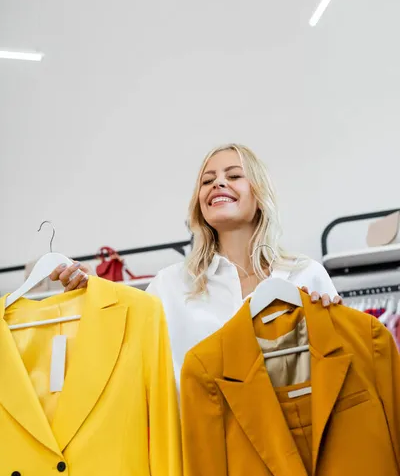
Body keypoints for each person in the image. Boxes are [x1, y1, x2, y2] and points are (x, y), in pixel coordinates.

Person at [51, 143, 341, 388]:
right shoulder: (170, 286)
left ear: (260, 195)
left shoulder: (304, 276)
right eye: (207, 180)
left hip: (291, 447)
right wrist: (91, 295)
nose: (218, 183)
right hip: (199, 448)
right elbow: (121, 350)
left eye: (235, 175)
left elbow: (335, 370)